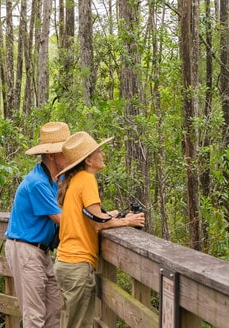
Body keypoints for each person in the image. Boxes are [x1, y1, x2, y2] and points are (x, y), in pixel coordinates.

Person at [53, 131, 145, 328]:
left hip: (65, 263)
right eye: (99, 151)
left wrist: (114, 214)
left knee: (69, 322)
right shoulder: (86, 179)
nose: (103, 154)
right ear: (88, 160)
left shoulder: (74, 180)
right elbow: (97, 222)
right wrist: (127, 221)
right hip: (77, 264)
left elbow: (90, 216)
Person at [5, 122, 70, 328]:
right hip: (26, 249)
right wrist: (100, 223)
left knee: (55, 309)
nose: (68, 157)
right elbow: (63, 219)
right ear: (51, 155)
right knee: (34, 316)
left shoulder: (52, 180)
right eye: (64, 152)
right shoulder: (37, 183)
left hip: (42, 251)